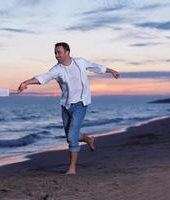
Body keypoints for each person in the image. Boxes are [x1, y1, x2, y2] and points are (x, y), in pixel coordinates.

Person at [17, 42, 119, 175]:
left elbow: (96, 67)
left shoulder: (80, 62)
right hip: (66, 105)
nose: (56, 55)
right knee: (70, 136)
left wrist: (112, 71)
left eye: (59, 52)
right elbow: (44, 77)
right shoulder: (57, 69)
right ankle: (88, 139)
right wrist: (26, 82)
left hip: (81, 104)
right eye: (55, 53)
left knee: (72, 137)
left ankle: (72, 169)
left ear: (67, 52)